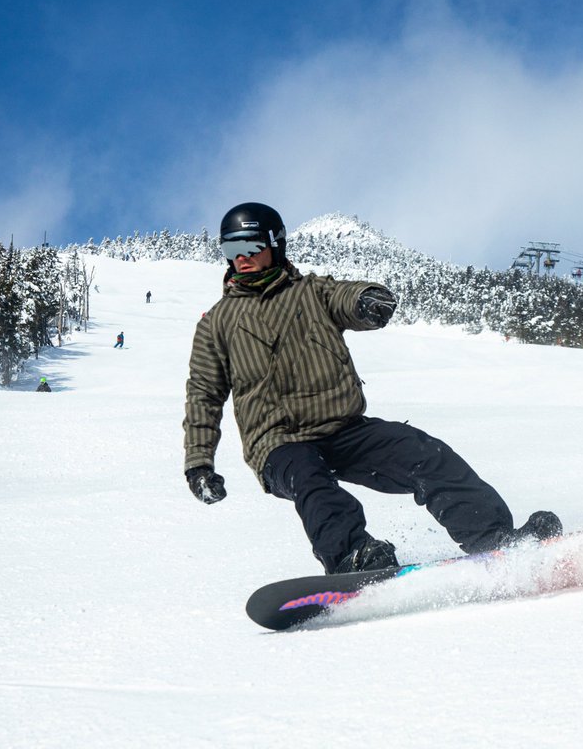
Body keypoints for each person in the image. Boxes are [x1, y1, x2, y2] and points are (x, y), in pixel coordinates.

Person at [183, 202, 561, 574]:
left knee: (425, 454)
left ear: (275, 244)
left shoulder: (312, 292)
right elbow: (203, 394)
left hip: (343, 429)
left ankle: (494, 539)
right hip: (278, 444)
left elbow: (343, 295)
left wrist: (366, 299)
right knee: (313, 484)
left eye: (251, 246)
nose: (241, 258)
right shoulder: (216, 324)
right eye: (232, 249)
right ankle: (351, 558)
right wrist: (199, 465)